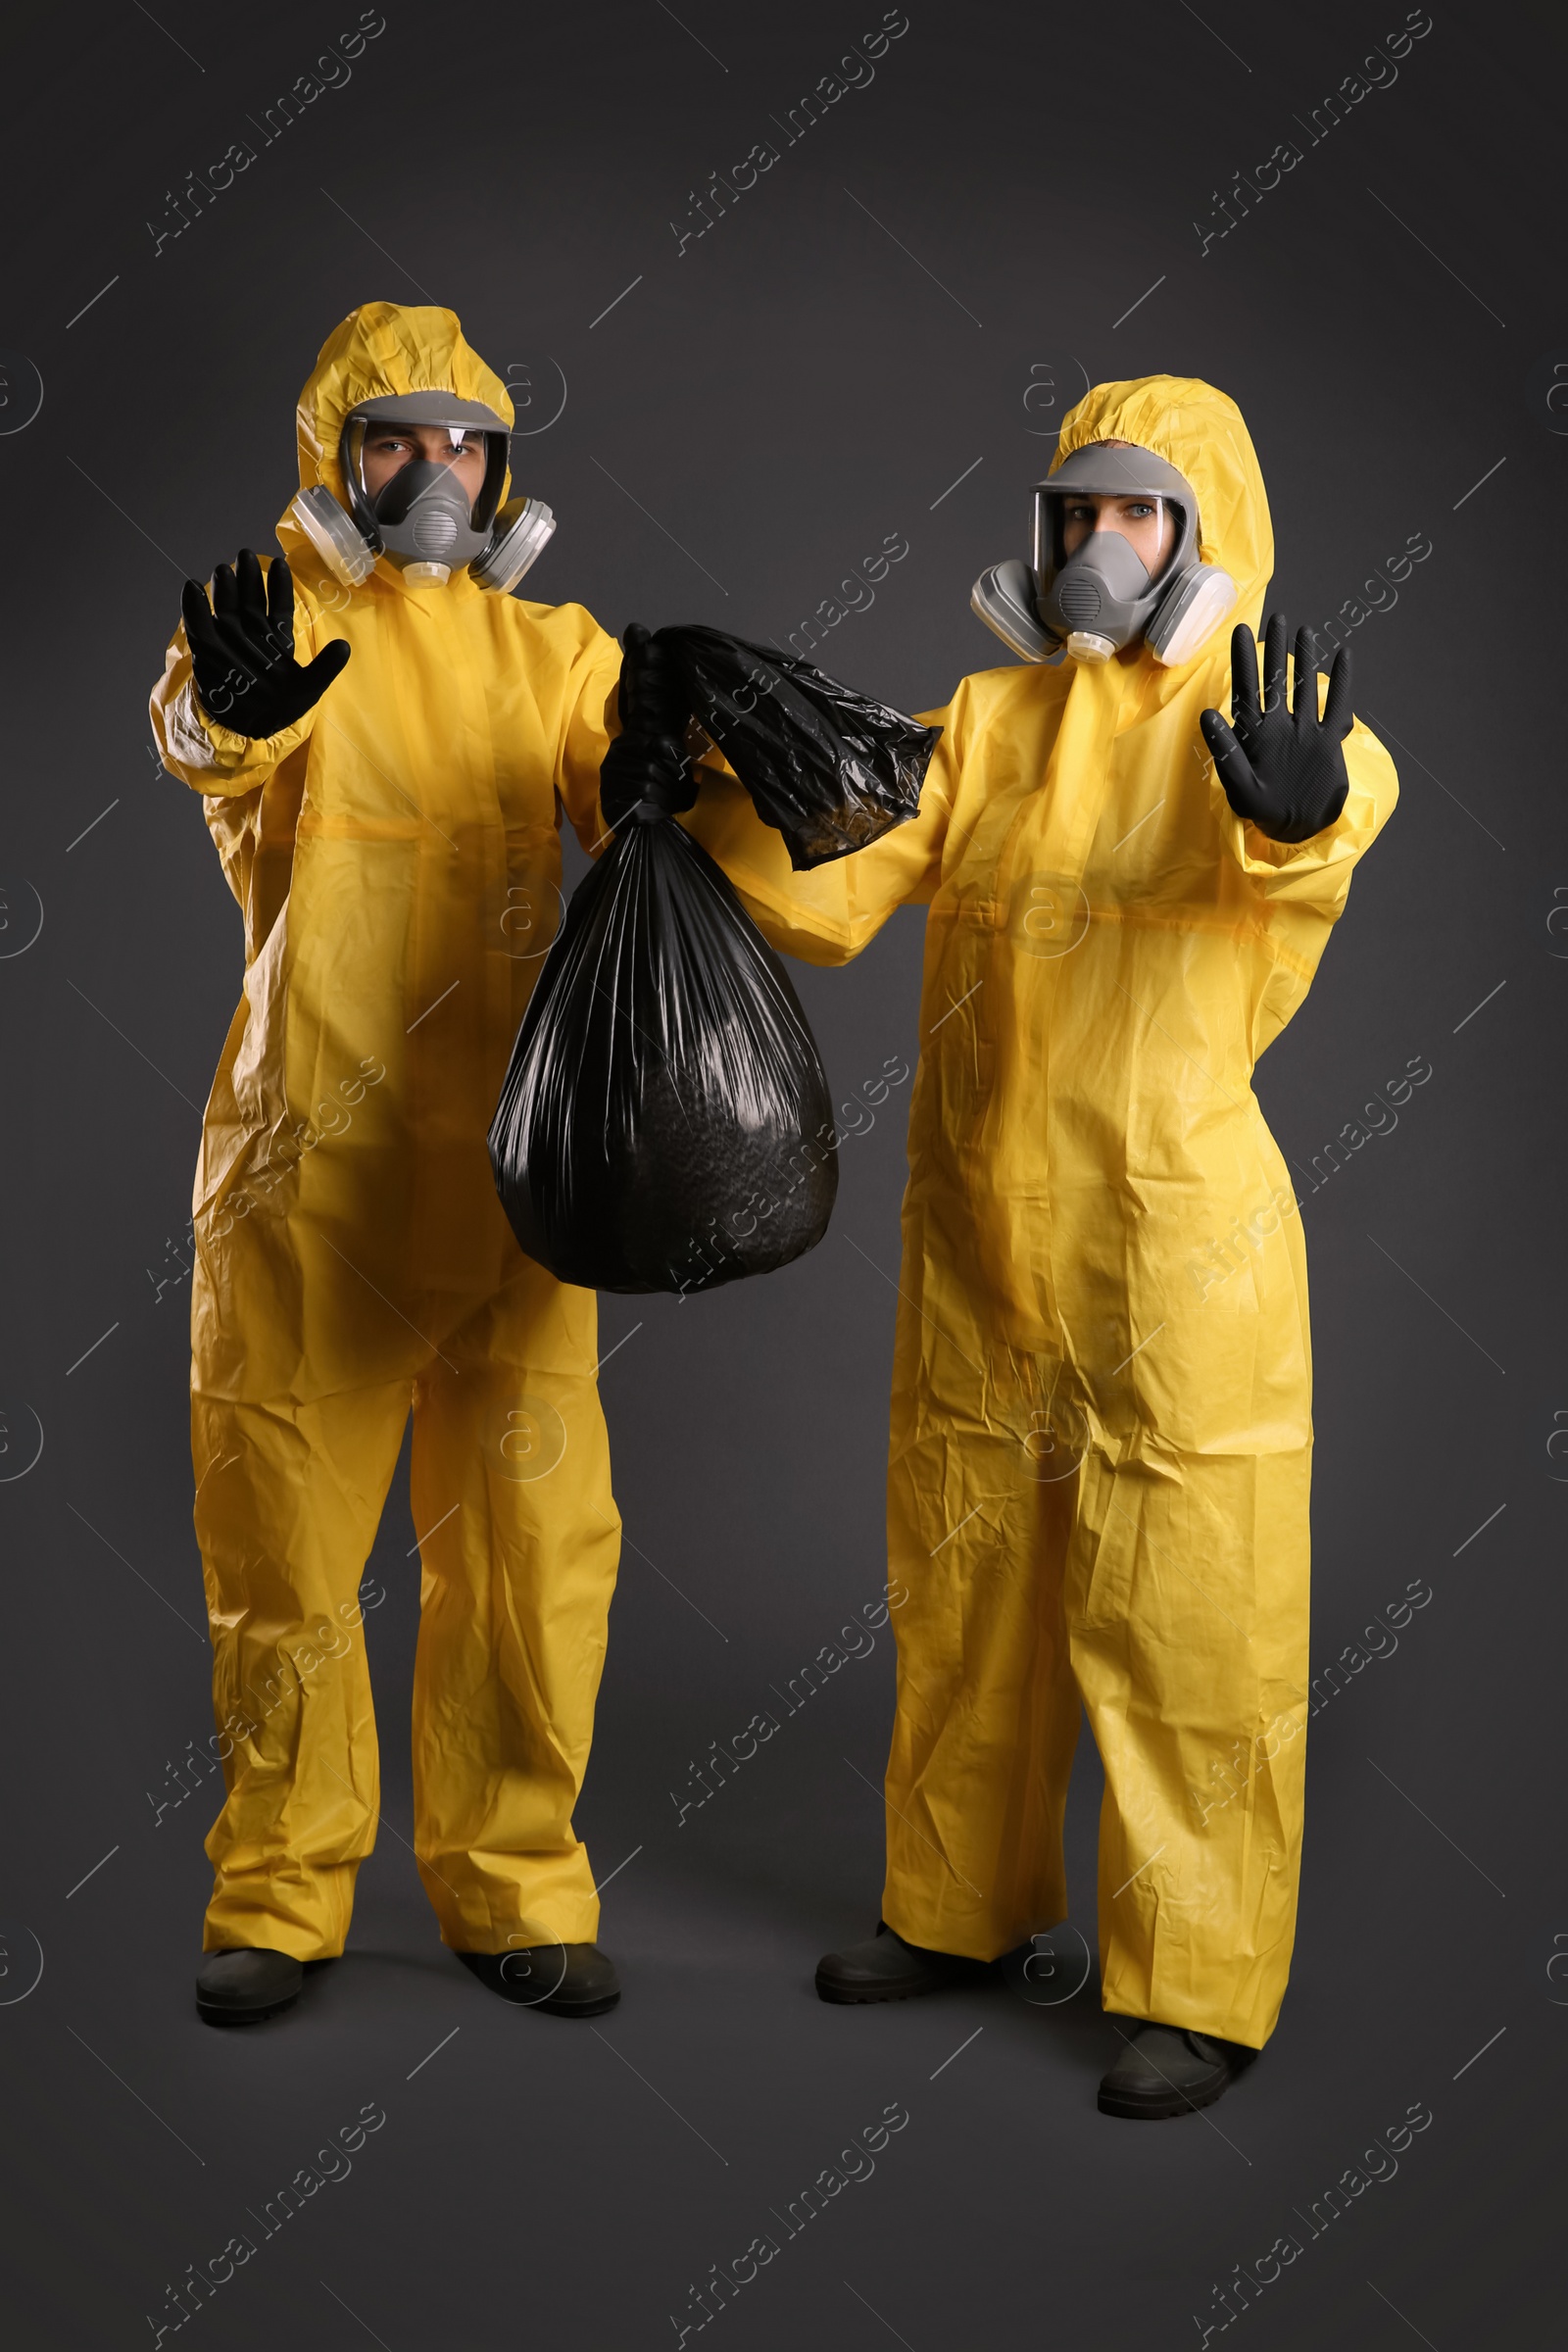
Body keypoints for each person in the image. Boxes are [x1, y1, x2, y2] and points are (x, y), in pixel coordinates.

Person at [661, 373, 1398, 2117]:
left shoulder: (1260, 715)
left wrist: (1295, 819)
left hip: (1179, 1258)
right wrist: (697, 791)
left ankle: (1201, 1988)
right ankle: (959, 1911)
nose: (1094, 544)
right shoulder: (986, 724)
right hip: (986, 1246)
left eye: (1135, 512)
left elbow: (1335, 811)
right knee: (968, 1594)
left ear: (1202, 531)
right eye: (1075, 513)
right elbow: (826, 882)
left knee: (1189, 1625)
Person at [151, 301, 679, 2027]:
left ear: (506, 468)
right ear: (335, 457)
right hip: (309, 1179)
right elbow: (199, 741)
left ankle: (513, 1886)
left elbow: (648, 796)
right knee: (287, 1559)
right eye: (397, 441)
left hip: (515, 1189)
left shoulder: (554, 655)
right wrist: (233, 718)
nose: (436, 474)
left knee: (532, 1558)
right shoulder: (266, 630)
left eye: (466, 445)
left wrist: (692, 759)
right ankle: (281, 1893)